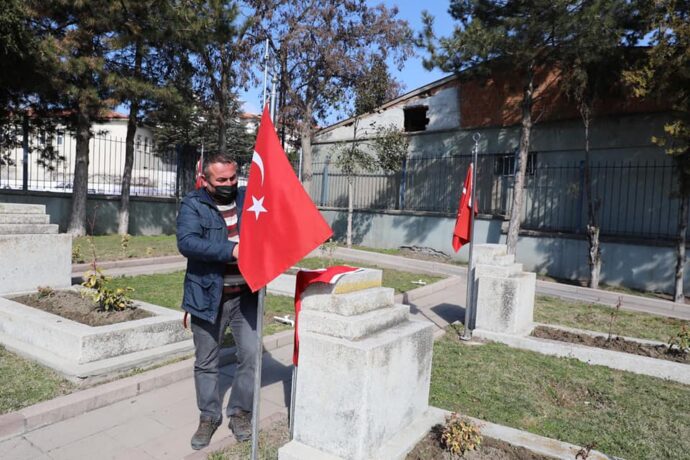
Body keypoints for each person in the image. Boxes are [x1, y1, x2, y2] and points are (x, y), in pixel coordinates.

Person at [176, 151, 258, 450]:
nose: (229, 183)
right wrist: (232, 250)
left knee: (250, 355)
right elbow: (187, 242)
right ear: (206, 180)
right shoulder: (193, 204)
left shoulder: (250, 200)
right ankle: (209, 416)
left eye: (233, 177)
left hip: (248, 295)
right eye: (221, 179)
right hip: (208, 296)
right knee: (207, 362)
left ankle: (240, 413)